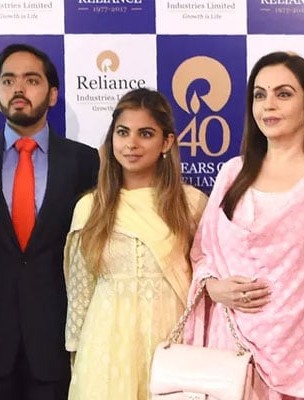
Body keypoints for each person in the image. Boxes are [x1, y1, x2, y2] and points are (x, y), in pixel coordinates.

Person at [184, 52, 304, 400]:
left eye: (284, 93)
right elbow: (202, 252)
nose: (268, 105)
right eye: (260, 94)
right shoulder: (232, 173)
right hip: (227, 357)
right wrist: (213, 287)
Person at [0, 44, 99, 400]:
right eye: (8, 81)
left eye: (31, 80)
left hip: (57, 344)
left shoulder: (85, 162)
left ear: (52, 94)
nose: (18, 89)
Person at [64, 88, 207, 399]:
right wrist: (78, 359)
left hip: (174, 340)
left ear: (167, 142)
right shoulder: (90, 207)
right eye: (122, 132)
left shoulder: (192, 204)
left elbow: (206, 282)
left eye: (145, 133)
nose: (131, 144)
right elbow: (79, 293)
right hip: (105, 346)